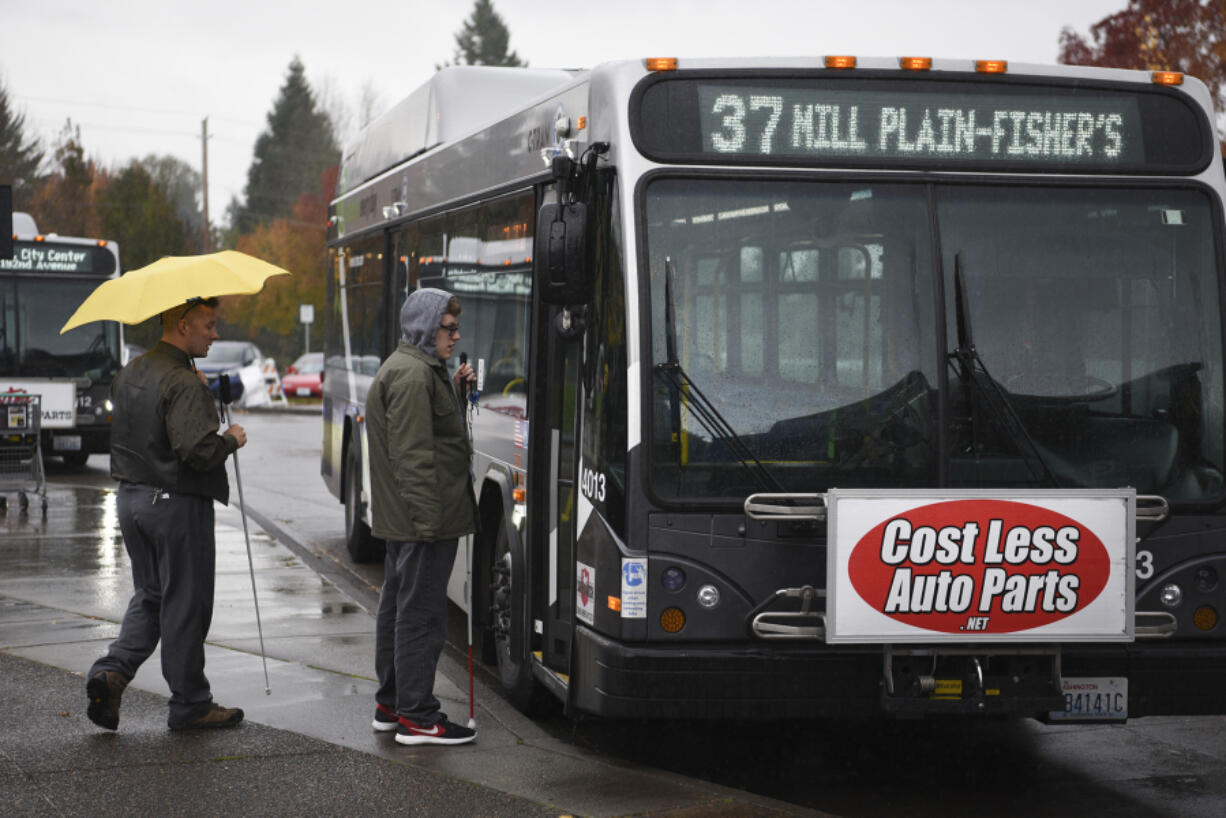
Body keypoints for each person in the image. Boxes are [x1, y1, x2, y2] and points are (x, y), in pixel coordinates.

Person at [85, 297, 248, 731]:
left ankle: (111, 673)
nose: (215, 334)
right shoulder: (182, 382)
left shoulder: (131, 372)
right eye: (209, 325)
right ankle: (191, 704)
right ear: (182, 325)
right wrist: (230, 438)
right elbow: (197, 450)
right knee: (185, 604)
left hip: (132, 500)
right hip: (176, 505)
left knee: (153, 596)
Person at [368, 287, 479, 746]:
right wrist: (430, 527)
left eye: (456, 328)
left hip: (409, 522)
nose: (455, 337)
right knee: (421, 616)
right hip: (422, 524)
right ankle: (417, 716)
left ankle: (393, 705)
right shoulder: (414, 377)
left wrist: (452, 389)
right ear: (425, 327)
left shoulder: (416, 370)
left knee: (399, 608)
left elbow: (423, 435)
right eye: (448, 328)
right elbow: (413, 458)